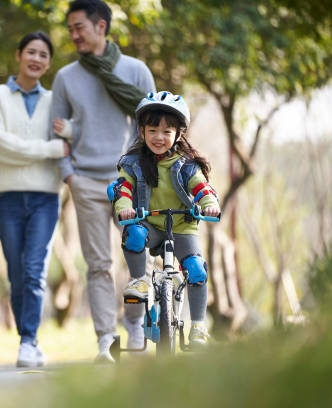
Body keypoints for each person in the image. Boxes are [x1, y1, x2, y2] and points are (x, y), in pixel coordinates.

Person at [50, 0, 156, 362]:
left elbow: (152, 128)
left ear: (101, 27)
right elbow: (57, 134)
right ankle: (106, 340)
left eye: (78, 27)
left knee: (137, 258)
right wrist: (70, 176)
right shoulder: (65, 78)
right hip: (87, 183)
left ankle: (136, 323)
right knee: (98, 265)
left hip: (129, 181)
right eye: (70, 29)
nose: (73, 35)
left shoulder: (136, 71)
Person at [0, 31, 70, 367]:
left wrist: (68, 137)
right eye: (31, 52)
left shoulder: (54, 101)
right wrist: (49, 149)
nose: (36, 59)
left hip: (46, 198)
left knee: (34, 270)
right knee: (16, 273)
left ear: (48, 63)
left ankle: (28, 341)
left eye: (43, 55)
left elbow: (73, 132)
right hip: (7, 198)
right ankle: (27, 338)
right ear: (19, 55)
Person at [111, 90, 221, 347]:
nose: (159, 137)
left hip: (181, 228)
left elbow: (202, 188)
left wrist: (210, 204)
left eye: (167, 131)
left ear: (178, 134)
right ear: (142, 132)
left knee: (195, 269)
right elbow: (123, 189)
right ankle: (138, 281)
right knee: (134, 233)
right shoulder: (133, 163)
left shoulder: (186, 165)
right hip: (149, 224)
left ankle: (198, 326)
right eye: (152, 130)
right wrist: (125, 207)